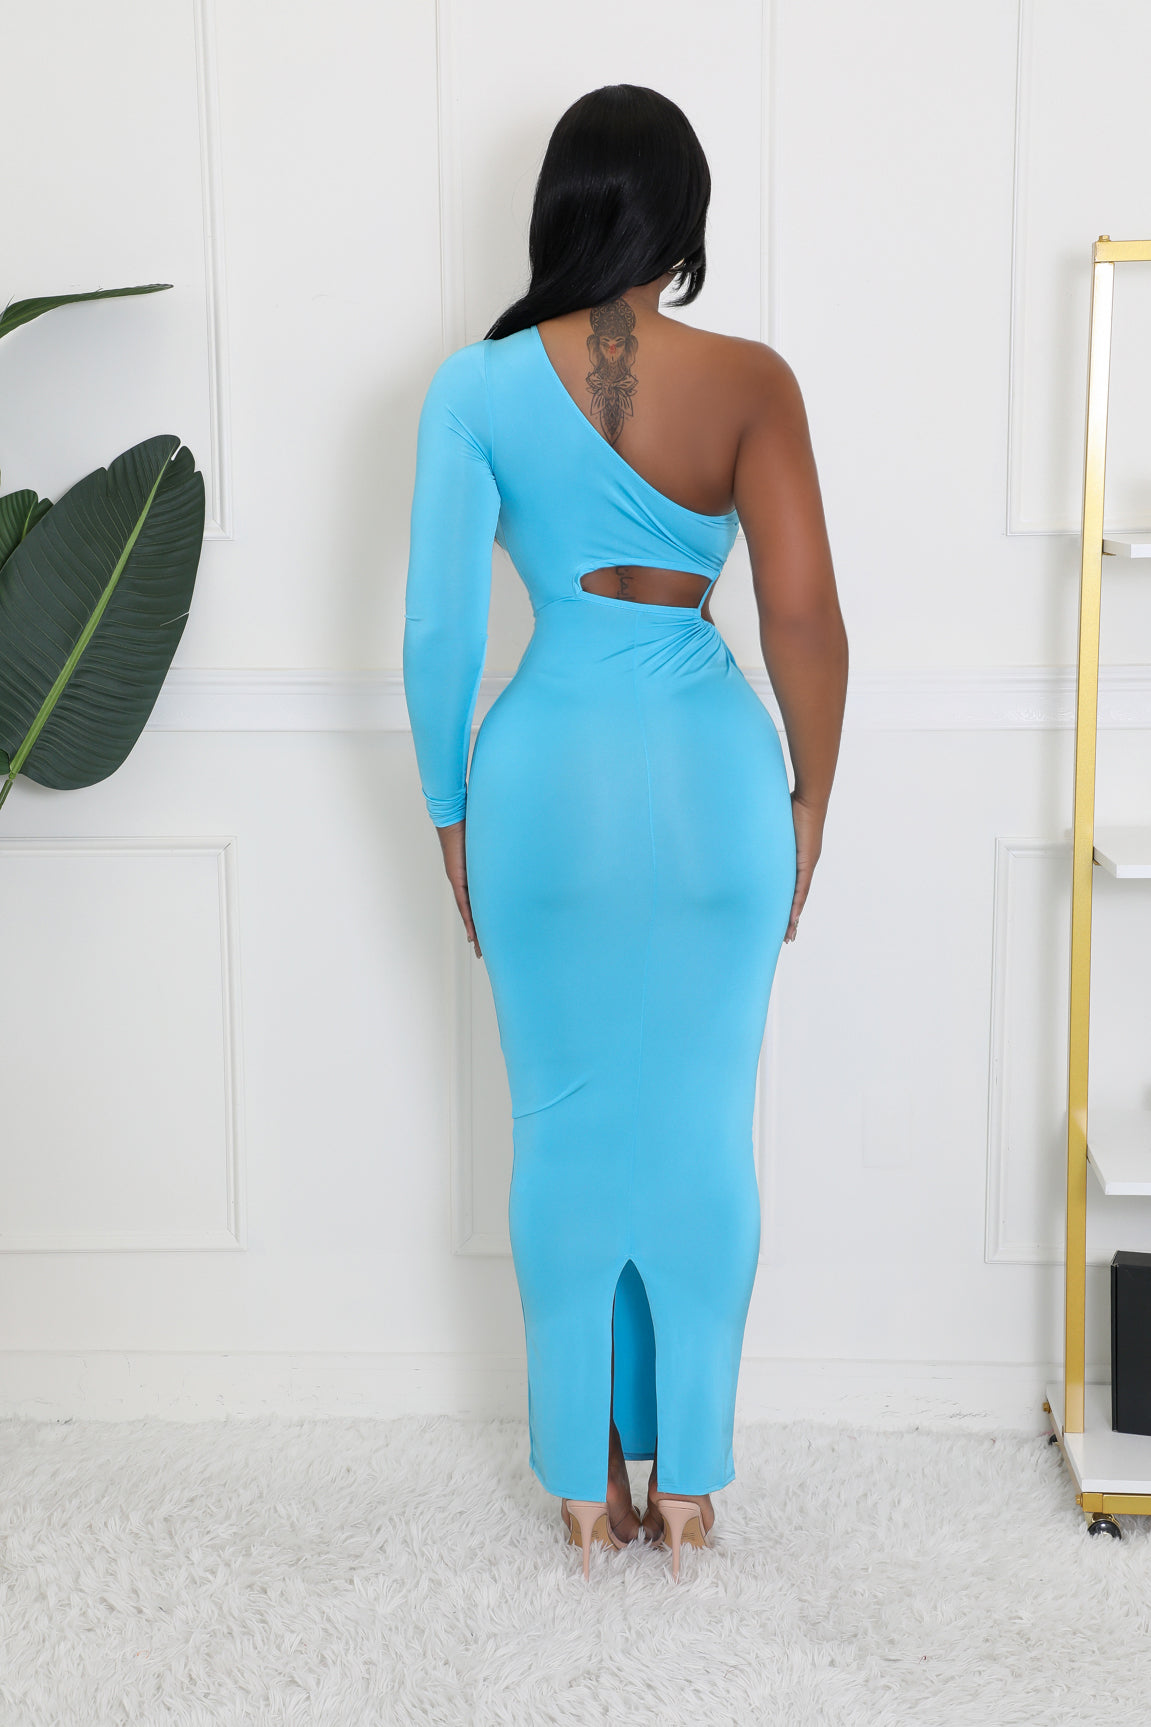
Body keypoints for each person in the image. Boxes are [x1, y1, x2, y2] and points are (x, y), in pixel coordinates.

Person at [403, 84, 847, 1581]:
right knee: (703, 1124)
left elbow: (438, 633)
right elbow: (804, 618)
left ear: (560, 209)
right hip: (718, 777)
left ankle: (587, 1475)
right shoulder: (752, 381)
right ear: (684, 220)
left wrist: (451, 815)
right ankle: (695, 1479)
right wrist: (810, 802)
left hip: (546, 781)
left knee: (563, 1122)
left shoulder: (473, 390)